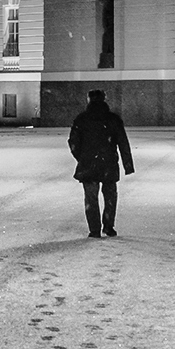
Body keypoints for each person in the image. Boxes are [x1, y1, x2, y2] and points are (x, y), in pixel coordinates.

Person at [68, 89, 134, 238]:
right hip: (108, 163)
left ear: (89, 100)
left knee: (91, 198)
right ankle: (109, 227)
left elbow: (73, 142)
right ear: (105, 100)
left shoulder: (81, 119)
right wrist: (127, 165)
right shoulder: (113, 119)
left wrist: (82, 157)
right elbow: (123, 142)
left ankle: (94, 230)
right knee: (110, 196)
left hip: (89, 164)